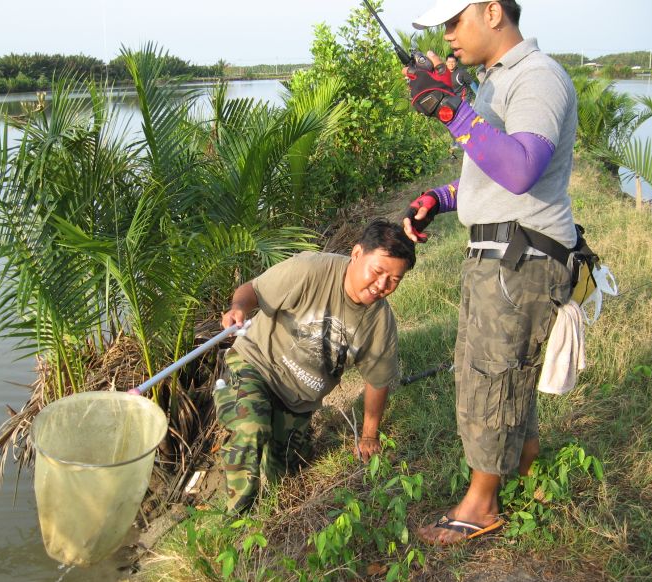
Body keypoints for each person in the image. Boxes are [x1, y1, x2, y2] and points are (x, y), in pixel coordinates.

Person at [402, 0, 577, 545]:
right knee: (505, 370)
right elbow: (491, 171)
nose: (448, 34)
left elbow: (523, 169)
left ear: (493, 12)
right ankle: (530, 475)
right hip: (501, 250)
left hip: (521, 256)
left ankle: (480, 505)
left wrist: (452, 110)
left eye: (455, 21)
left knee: (490, 375)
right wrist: (439, 197)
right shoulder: (492, 84)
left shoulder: (538, 78)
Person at [215, 219, 416, 514]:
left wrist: (369, 435)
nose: (382, 286)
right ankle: (237, 519)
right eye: (378, 272)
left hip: (298, 402)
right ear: (357, 253)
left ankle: (282, 446)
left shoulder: (381, 324)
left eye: (394, 281)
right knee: (251, 426)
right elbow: (253, 289)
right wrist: (239, 308)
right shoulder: (311, 270)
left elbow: (377, 381)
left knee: (286, 477)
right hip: (254, 365)